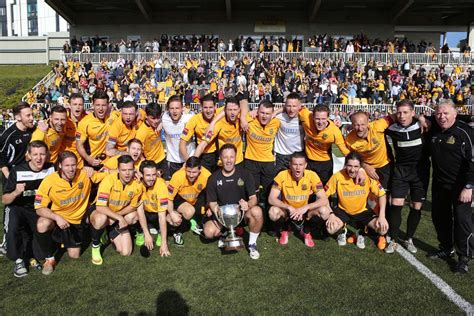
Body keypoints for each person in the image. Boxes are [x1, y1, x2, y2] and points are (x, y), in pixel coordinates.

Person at [34, 151, 105, 275]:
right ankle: (49, 259)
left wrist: (131, 171)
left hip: (78, 219)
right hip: (59, 219)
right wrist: (56, 217)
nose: (71, 169)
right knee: (42, 223)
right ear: (60, 165)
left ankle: (94, 236)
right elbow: (39, 208)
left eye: (73, 165)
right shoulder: (49, 181)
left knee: (74, 255)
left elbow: (107, 175)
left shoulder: (84, 174)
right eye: (67, 165)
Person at [427, 100, 473, 274]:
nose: (442, 117)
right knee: (440, 217)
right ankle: (447, 248)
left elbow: (472, 162)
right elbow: (421, 117)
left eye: (446, 113)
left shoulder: (465, 132)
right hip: (439, 184)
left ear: (455, 114)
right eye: (438, 113)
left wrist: (469, 186)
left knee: (462, 221)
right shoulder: (434, 130)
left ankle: (464, 258)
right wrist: (423, 119)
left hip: (461, 187)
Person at [2, 141, 54, 277]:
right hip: (18, 207)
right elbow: (4, 199)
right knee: (13, 226)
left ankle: (35, 250)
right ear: (28, 155)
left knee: (40, 254)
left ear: (47, 155)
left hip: (38, 209)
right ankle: (18, 261)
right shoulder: (17, 171)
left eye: (42, 154)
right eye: (35, 154)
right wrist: (15, 193)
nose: (39, 158)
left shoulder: (51, 169)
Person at [384, 100, 430, 254]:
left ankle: (409, 238)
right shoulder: (391, 128)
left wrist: (421, 118)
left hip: (420, 172)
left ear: (412, 112)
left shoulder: (423, 126)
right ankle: (394, 239)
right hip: (401, 171)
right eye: (399, 112)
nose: (402, 116)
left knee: (416, 206)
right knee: (396, 204)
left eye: (405, 112)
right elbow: (374, 127)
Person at [204, 144, 264, 260]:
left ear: (236, 157)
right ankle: (226, 233)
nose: (229, 160)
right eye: (225, 157)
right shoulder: (213, 178)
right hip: (223, 216)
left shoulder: (245, 174)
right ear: (220, 159)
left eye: (231, 157)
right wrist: (217, 211)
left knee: (257, 211)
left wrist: (248, 204)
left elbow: (253, 198)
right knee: (208, 232)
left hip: (241, 215)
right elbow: (212, 202)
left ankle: (252, 244)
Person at [325, 152, 389, 249]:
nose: (352, 169)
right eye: (349, 166)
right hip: (343, 211)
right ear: (345, 165)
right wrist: (331, 214)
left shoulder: (367, 177)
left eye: (356, 166)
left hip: (362, 211)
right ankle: (342, 231)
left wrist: (382, 216)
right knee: (330, 229)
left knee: (383, 229)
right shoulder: (337, 177)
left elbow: (382, 195)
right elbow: (323, 196)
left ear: (360, 167)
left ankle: (361, 232)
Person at [268, 153, 331, 247]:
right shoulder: (282, 175)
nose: (298, 168)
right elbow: (271, 199)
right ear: (290, 164)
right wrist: (288, 207)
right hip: (288, 211)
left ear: (305, 165)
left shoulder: (312, 175)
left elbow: (324, 199)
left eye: (301, 165)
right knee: (273, 212)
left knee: (325, 211)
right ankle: (285, 229)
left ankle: (306, 231)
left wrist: (306, 207)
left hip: (306, 211)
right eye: (295, 164)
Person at [89, 155, 143, 265]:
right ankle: (95, 246)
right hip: (101, 211)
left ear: (134, 169)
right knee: (100, 219)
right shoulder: (109, 180)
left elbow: (133, 206)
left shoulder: (137, 184)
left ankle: (108, 233)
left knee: (126, 252)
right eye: (123, 170)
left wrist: (117, 216)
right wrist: (118, 217)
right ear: (118, 170)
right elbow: (100, 206)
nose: (127, 173)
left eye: (130, 170)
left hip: (117, 215)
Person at [0, 102, 36, 255]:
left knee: (28, 206)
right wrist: (11, 181)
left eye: (32, 114)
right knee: (12, 208)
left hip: (27, 176)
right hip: (12, 178)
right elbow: (2, 162)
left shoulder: (32, 131)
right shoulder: (8, 136)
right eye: (28, 115)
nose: (31, 118)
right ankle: (6, 242)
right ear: (17, 117)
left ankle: (28, 239)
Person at [299, 104, 349, 185]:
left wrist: (359, 168)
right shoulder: (306, 117)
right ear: (313, 117)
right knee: (307, 189)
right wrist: (275, 112)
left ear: (328, 118)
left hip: (325, 164)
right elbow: (294, 106)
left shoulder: (334, 131)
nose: (320, 122)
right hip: (308, 161)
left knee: (324, 192)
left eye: (323, 119)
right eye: (317, 119)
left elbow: (344, 151)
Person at [167, 156, 211, 245]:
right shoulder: (177, 176)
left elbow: (213, 192)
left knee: (205, 208)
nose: (191, 175)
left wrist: (210, 207)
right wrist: (171, 212)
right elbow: (168, 198)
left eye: (194, 172)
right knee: (189, 211)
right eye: (188, 171)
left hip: (196, 198)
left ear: (200, 170)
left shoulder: (207, 175)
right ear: (185, 168)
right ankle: (177, 232)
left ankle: (198, 222)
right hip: (179, 199)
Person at [135, 160, 171, 257]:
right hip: (145, 212)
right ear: (141, 175)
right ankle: (141, 231)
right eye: (148, 175)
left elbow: (162, 216)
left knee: (170, 219)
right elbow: (140, 210)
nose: (151, 178)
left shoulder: (161, 185)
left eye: (154, 175)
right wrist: (146, 234)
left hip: (157, 214)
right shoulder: (137, 184)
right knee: (132, 216)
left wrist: (164, 243)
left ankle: (160, 232)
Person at [194, 97, 244, 165]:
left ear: (239, 110)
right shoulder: (218, 124)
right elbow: (203, 144)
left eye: (235, 110)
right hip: (223, 164)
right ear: (225, 110)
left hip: (239, 162)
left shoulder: (242, 119)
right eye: (229, 110)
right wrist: (193, 160)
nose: (232, 112)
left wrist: (254, 111)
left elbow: (244, 102)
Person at [179, 94, 221, 172]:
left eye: (211, 107)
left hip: (218, 156)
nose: (208, 111)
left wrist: (213, 122)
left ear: (215, 107)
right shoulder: (194, 119)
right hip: (202, 156)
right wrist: (188, 161)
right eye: (205, 107)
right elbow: (182, 143)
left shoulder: (219, 115)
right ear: (201, 107)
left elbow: (231, 107)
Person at [76, 90, 113, 170]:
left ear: (108, 105)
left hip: (110, 163)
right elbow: (79, 145)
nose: (101, 108)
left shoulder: (113, 117)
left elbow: (131, 113)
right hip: (94, 164)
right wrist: (89, 159)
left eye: (103, 105)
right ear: (93, 105)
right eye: (97, 105)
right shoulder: (84, 122)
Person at [162, 96, 194, 177]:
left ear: (182, 108)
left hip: (189, 158)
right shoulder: (164, 118)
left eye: (177, 108)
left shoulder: (189, 118)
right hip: (173, 161)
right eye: (172, 108)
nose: (174, 111)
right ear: (168, 109)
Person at [135, 102, 169, 179]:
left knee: (166, 184)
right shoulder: (142, 132)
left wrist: (161, 123)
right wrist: (146, 164)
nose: (156, 121)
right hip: (151, 163)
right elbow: (138, 151)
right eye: (153, 118)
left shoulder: (158, 124)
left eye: (158, 117)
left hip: (162, 159)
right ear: (146, 116)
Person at [274, 93, 305, 172]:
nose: (291, 109)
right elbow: (263, 112)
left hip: (298, 154)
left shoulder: (305, 118)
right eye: (288, 106)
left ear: (299, 106)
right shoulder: (279, 117)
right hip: (281, 155)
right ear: (285, 106)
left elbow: (321, 118)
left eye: (294, 106)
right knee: (280, 181)